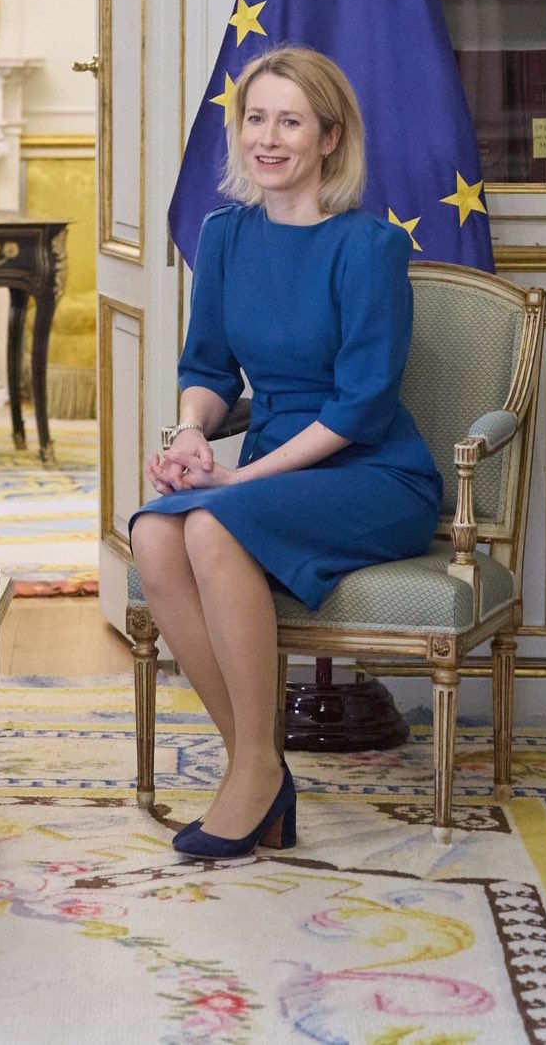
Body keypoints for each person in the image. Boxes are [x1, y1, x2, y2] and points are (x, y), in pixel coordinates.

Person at [132, 46, 442, 859]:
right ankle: (258, 766)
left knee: (210, 525)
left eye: (291, 122)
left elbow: (360, 407)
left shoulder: (369, 247)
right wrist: (190, 435)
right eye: (256, 119)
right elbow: (207, 372)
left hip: (373, 475)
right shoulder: (224, 237)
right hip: (268, 472)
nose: (267, 139)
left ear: (330, 138)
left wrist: (236, 478)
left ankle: (252, 779)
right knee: (154, 532)